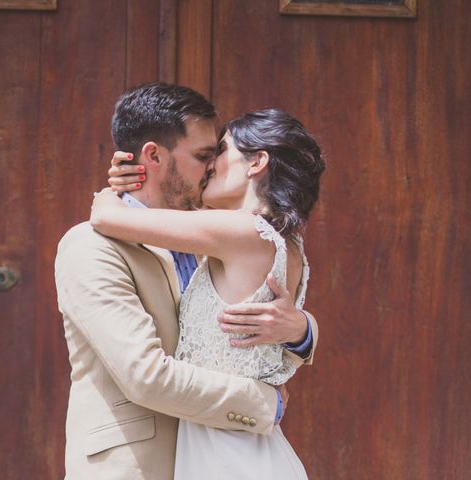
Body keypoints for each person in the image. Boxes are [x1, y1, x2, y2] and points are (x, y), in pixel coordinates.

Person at [54, 82, 318, 479]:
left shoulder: (217, 239)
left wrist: (301, 329)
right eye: (202, 156)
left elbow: (243, 337)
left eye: (217, 155)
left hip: (217, 458)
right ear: (154, 155)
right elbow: (146, 375)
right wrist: (262, 404)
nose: (212, 166)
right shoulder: (91, 246)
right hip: (141, 467)